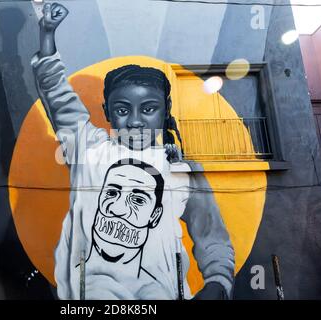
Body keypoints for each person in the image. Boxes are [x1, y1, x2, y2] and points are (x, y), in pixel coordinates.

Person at [31, 2, 234, 300]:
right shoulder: (89, 152)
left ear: (166, 111)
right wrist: (47, 35)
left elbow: (212, 237)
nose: (136, 120)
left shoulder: (181, 170)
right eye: (123, 109)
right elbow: (57, 95)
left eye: (149, 108)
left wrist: (217, 283)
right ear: (108, 112)